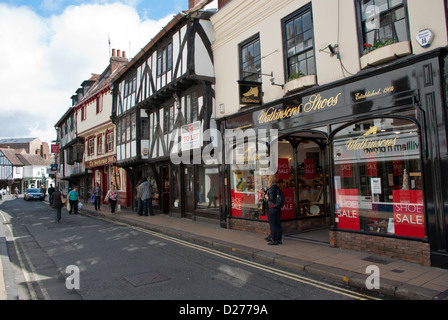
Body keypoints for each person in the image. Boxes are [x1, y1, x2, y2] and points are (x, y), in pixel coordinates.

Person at [264, 173, 285, 246]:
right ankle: (279, 240)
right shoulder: (276, 187)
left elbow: (271, 198)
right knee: (278, 224)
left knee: (273, 225)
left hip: (272, 208)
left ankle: (274, 240)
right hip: (277, 208)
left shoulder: (272, 188)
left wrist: (267, 197)